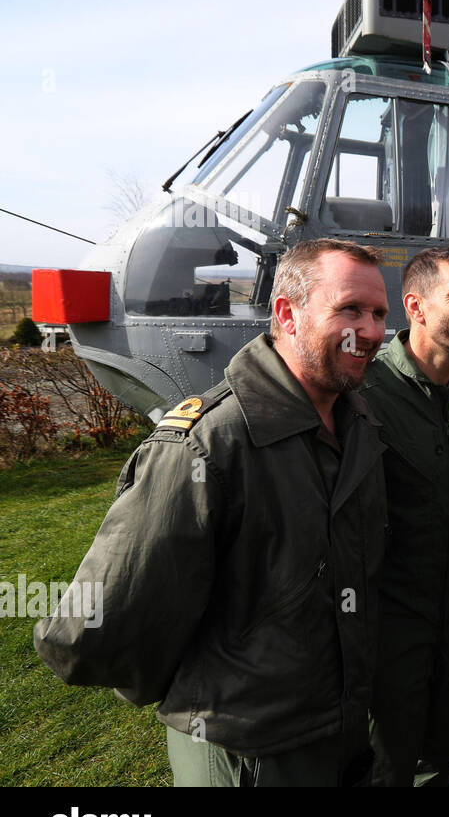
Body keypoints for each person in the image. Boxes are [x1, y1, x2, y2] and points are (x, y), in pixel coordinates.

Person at [34, 238, 390, 786]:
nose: (370, 331)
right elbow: (97, 623)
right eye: (349, 309)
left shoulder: (357, 426)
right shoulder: (208, 442)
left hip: (338, 733)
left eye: (378, 314)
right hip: (245, 751)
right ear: (287, 315)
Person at [360, 246, 449, 787]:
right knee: (383, 752)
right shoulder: (364, 390)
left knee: (442, 741)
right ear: (415, 307)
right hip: (382, 614)